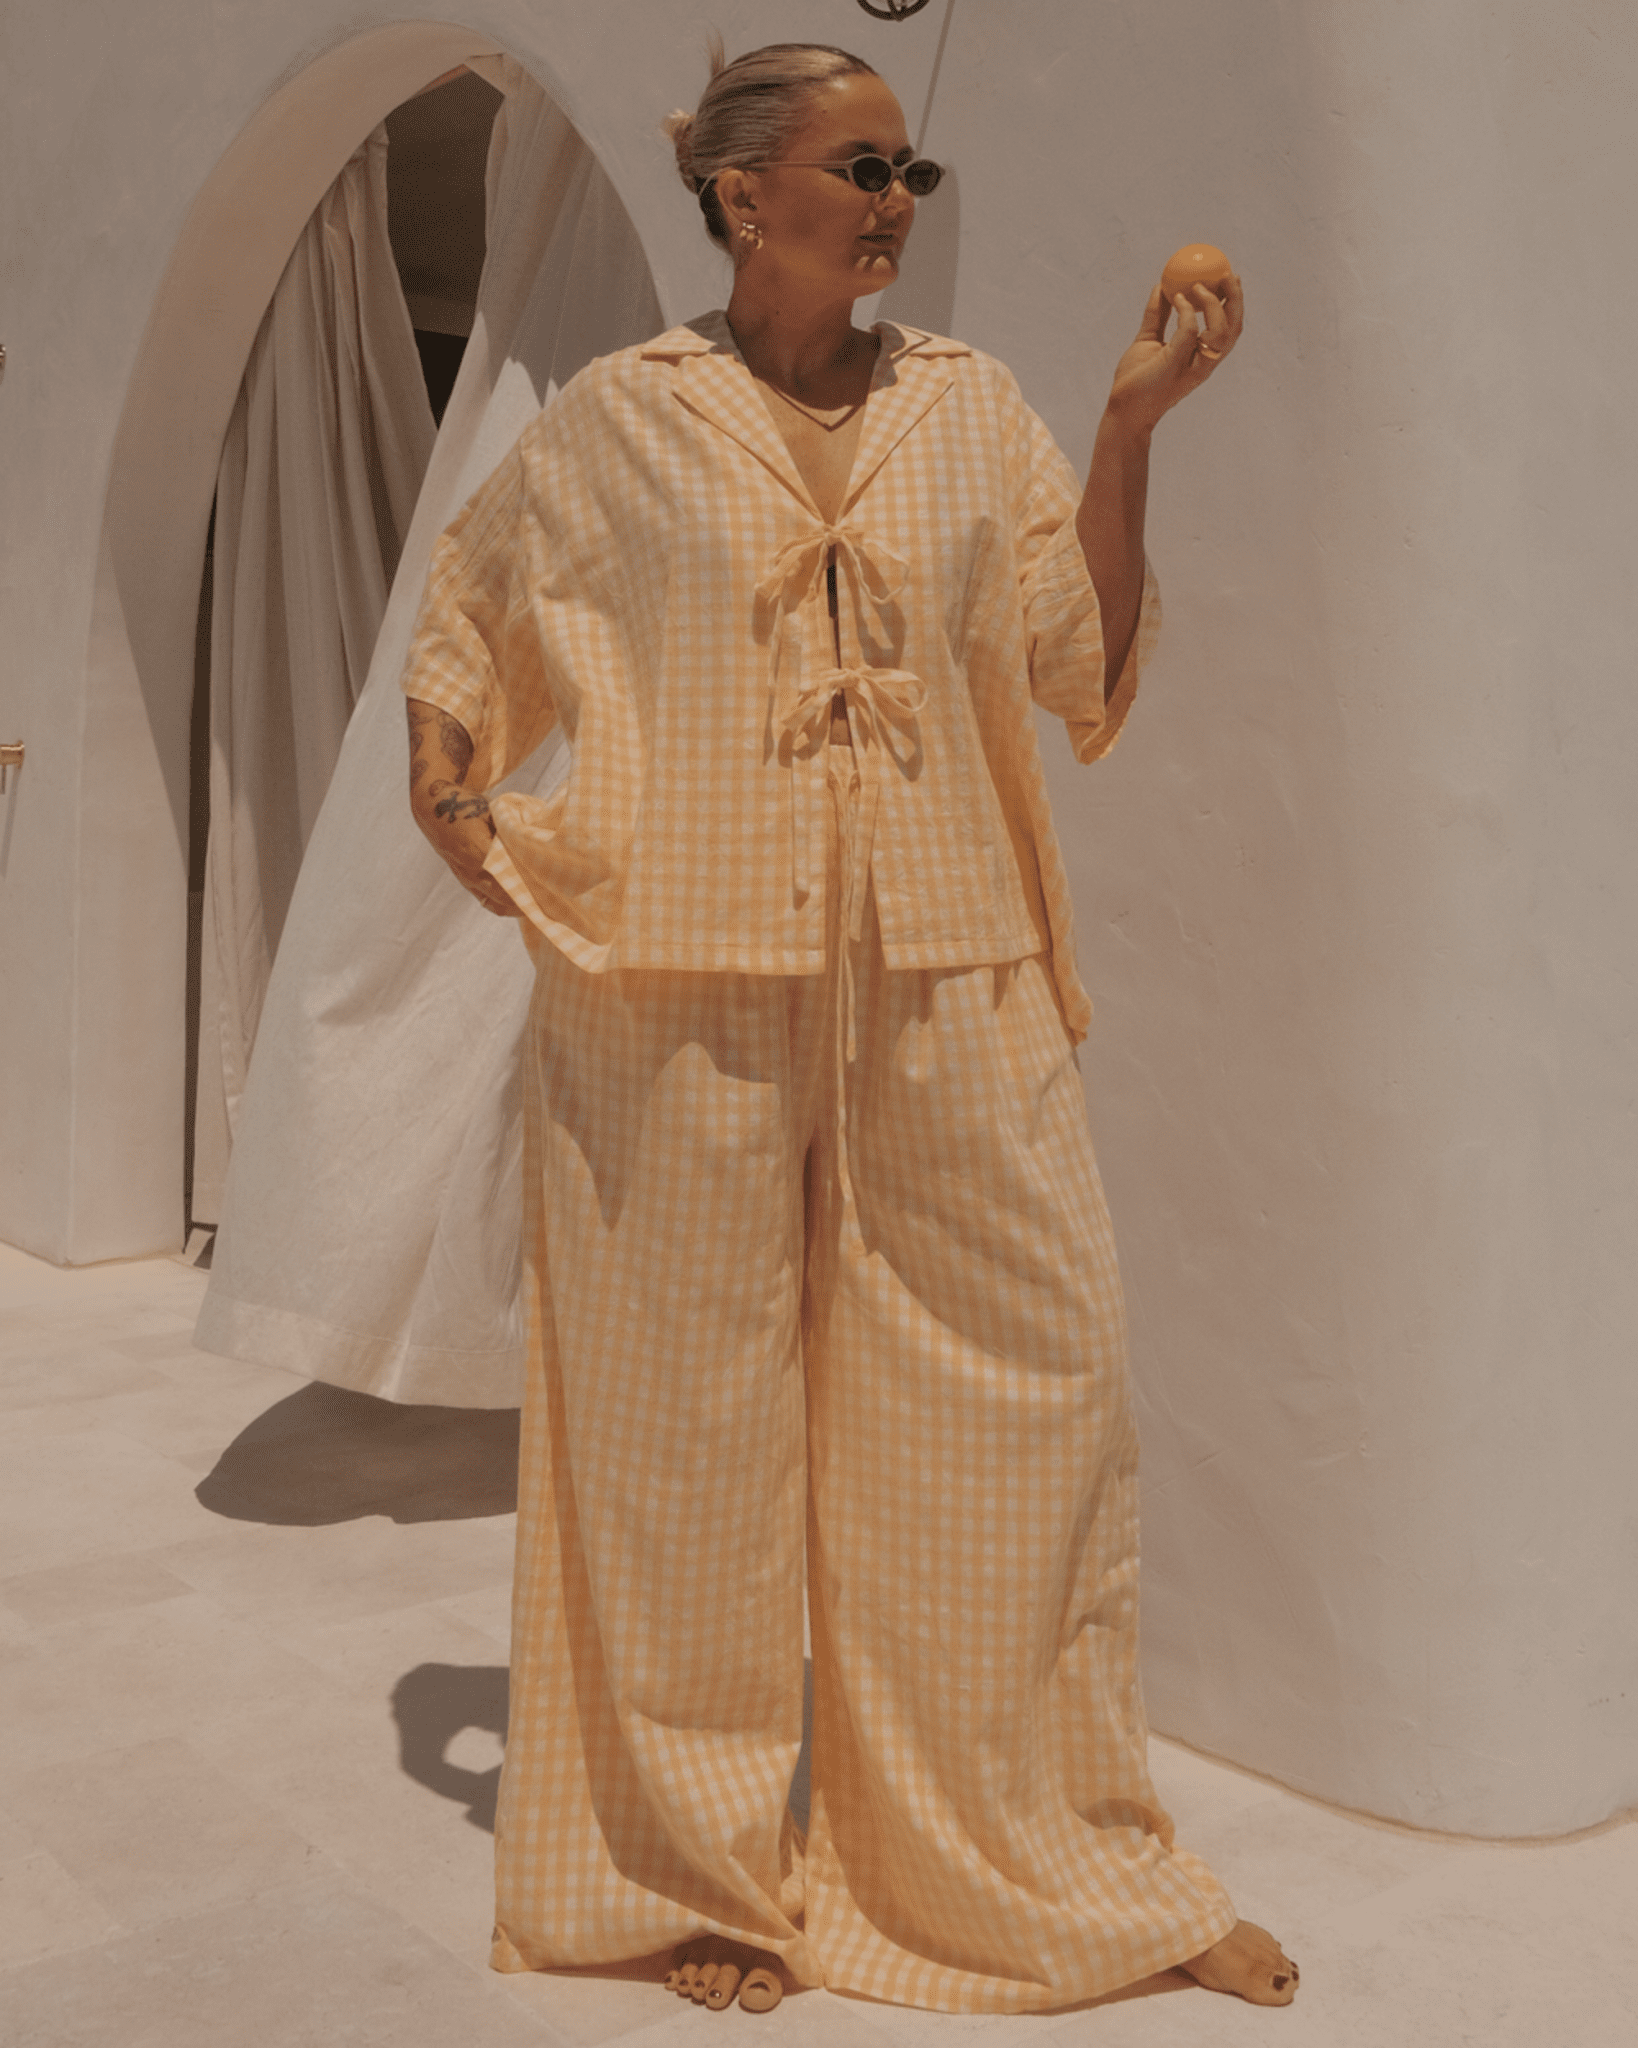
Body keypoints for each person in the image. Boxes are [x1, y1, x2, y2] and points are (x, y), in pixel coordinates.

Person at [401, 38, 1296, 2019]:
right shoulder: (621, 419)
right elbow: (468, 626)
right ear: (744, 197)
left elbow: (1076, 667)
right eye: (862, 168)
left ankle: (1045, 1865)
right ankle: (689, 1872)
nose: (898, 203)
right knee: (678, 1436)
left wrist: (1129, 426)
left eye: (912, 172)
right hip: (674, 980)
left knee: (1022, 1409)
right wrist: (461, 810)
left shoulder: (969, 408)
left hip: (947, 968)